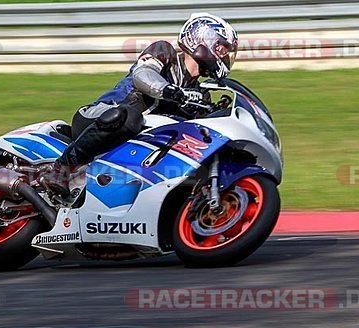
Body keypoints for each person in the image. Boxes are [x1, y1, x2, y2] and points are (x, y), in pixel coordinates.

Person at [41, 13, 239, 196]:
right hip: (101, 116)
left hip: (134, 142)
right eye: (222, 48)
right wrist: (169, 90)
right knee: (129, 117)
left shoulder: (201, 94)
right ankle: (60, 169)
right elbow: (142, 75)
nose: (225, 56)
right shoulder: (165, 52)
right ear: (200, 38)